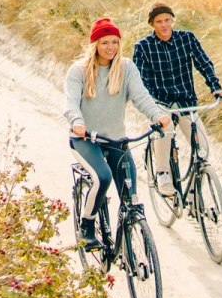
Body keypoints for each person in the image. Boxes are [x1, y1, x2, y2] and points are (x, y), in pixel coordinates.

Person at [65, 17, 172, 247]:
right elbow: (71, 104)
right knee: (102, 177)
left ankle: (127, 244)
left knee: (130, 196)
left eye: (114, 42)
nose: (111, 47)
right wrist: (76, 121)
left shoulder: (126, 68)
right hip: (86, 140)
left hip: (116, 139)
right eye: (105, 42)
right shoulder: (79, 71)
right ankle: (87, 225)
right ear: (95, 44)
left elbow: (141, 97)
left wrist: (157, 115)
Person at [132, 3, 222, 195]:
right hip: (160, 103)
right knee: (165, 132)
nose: (164, 25)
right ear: (152, 24)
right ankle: (162, 173)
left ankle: (193, 191)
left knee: (202, 147)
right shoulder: (143, 47)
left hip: (186, 102)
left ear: (172, 20)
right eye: (159, 21)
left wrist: (215, 87)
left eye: (167, 20)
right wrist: (153, 106)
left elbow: (203, 63)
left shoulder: (187, 39)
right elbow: (142, 80)